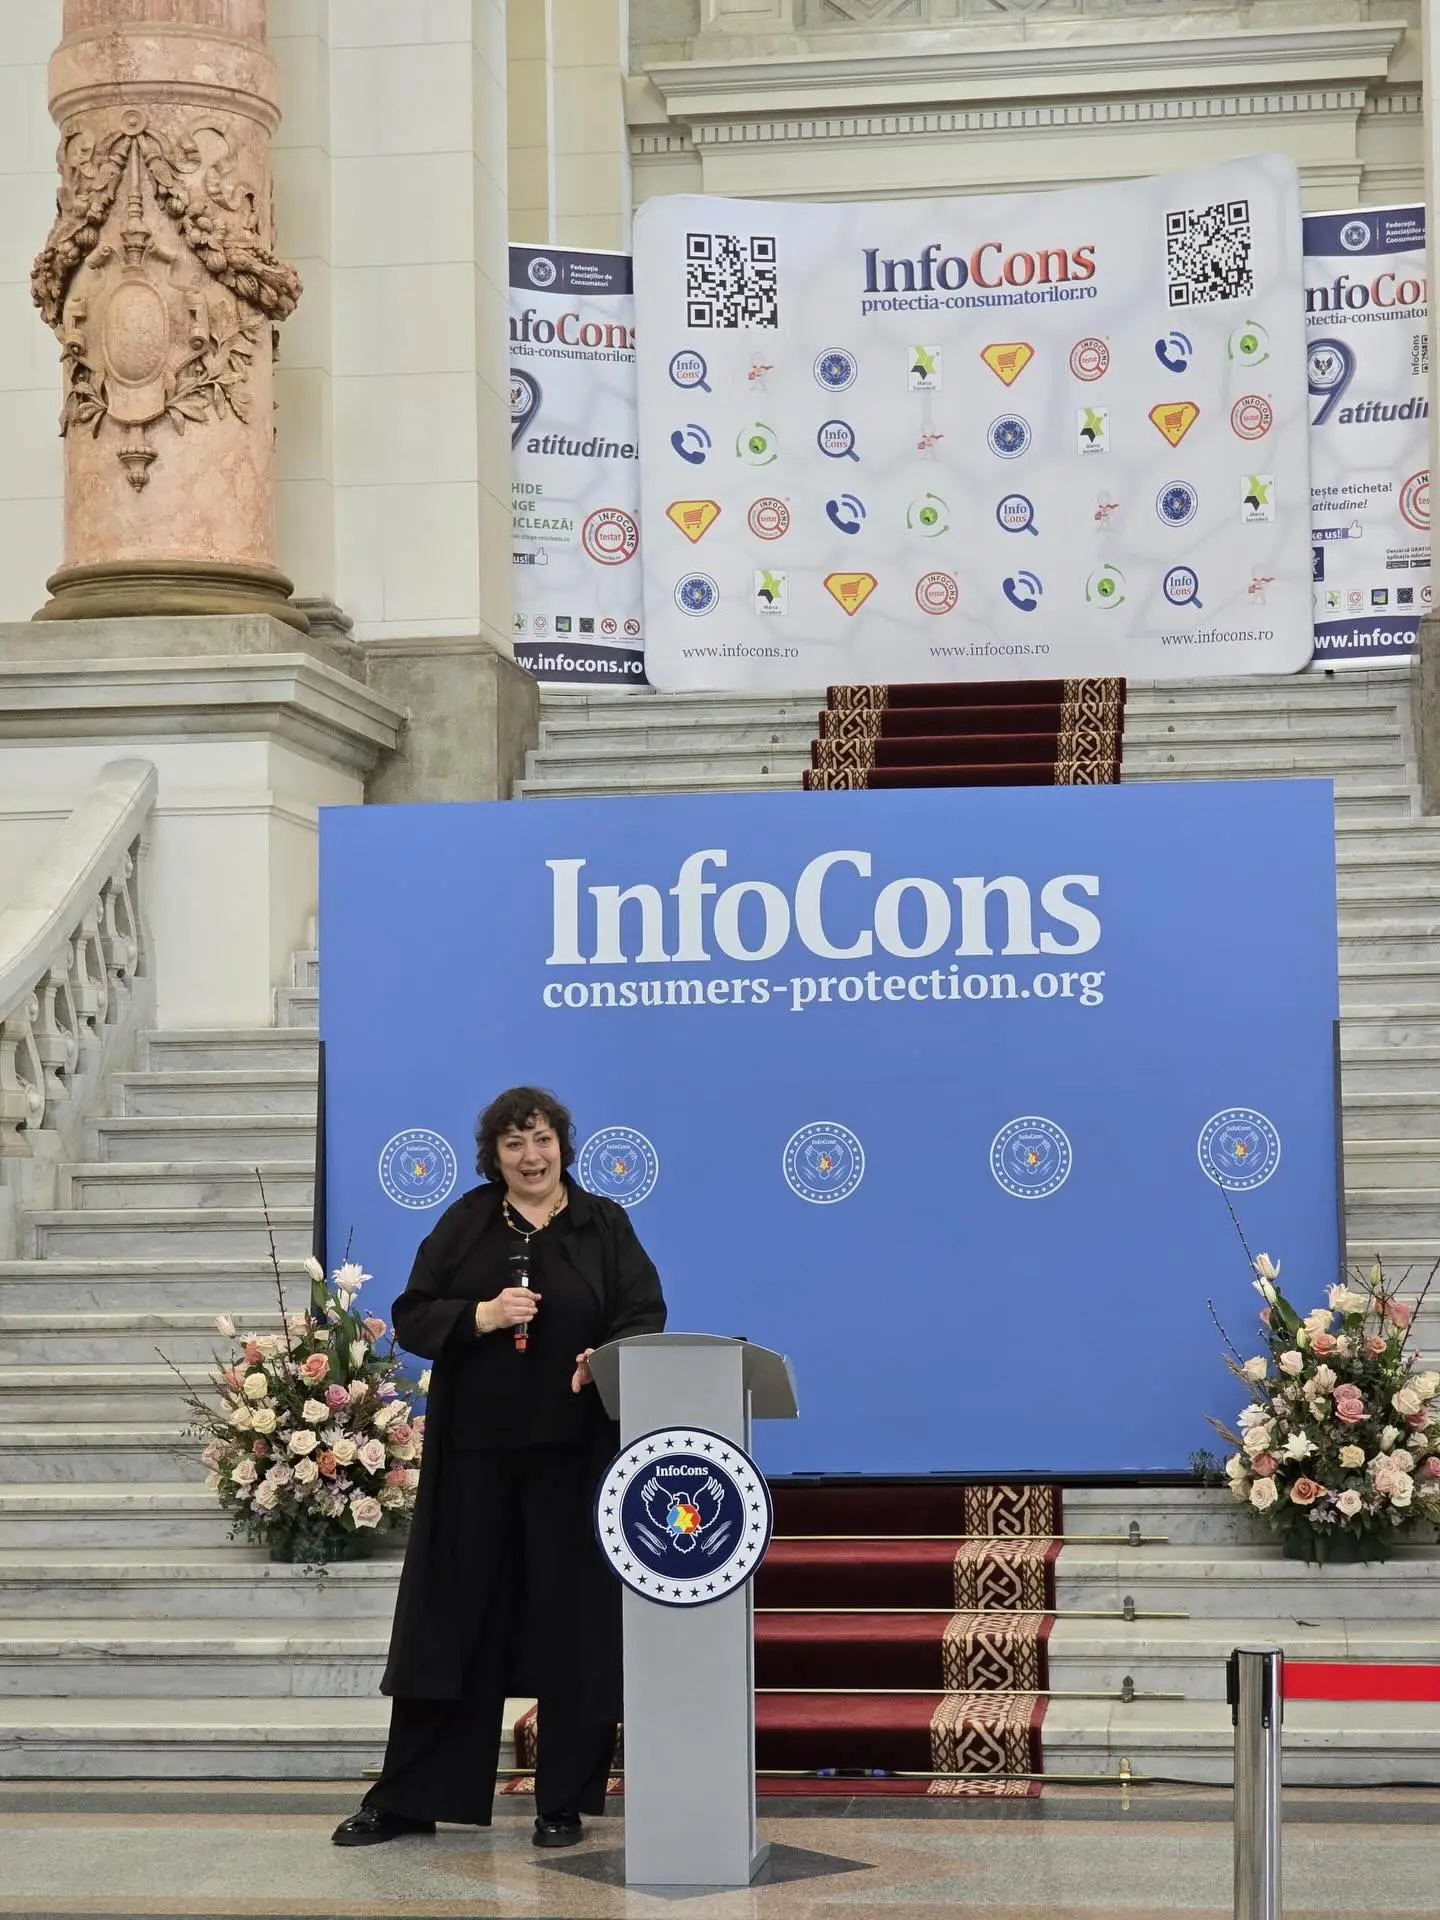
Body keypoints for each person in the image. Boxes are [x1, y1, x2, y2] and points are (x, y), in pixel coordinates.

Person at [331, 1086, 666, 1851]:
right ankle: (411, 1798)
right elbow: (413, 1314)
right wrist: (480, 1315)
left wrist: (602, 1357)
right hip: (475, 1461)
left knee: (571, 1624)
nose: (531, 1156)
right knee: (451, 1623)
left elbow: (643, 1314)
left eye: (541, 1139)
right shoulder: (468, 1221)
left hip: (574, 1459)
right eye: (514, 1143)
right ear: (495, 1155)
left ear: (563, 1145)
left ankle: (563, 1801)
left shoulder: (602, 1223)